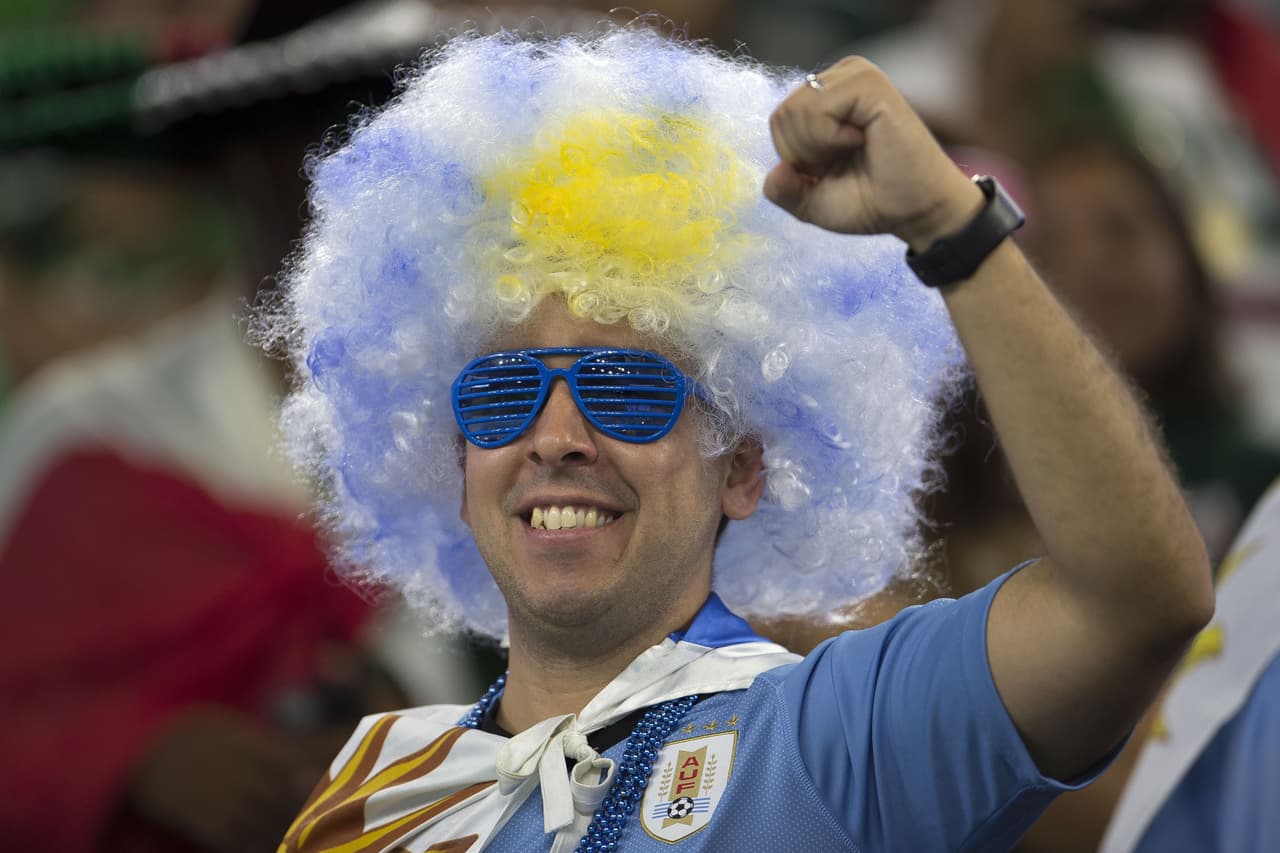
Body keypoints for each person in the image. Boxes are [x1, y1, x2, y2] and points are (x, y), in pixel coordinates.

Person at [263, 28, 1213, 851]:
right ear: (458, 455)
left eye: (626, 389)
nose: (555, 436)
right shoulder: (373, 797)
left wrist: (948, 227)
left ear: (744, 469)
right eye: (504, 391)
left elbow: (1134, 600)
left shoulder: (835, 740)